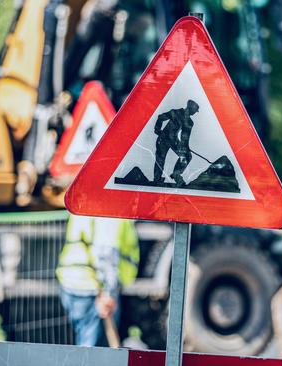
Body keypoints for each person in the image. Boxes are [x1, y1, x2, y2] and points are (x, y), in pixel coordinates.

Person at [56, 214, 139, 347]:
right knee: (92, 351)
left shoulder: (86, 202)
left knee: (86, 345)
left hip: (73, 281)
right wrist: (108, 293)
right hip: (93, 289)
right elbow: (106, 254)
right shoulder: (110, 208)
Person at [153, 100, 200, 186]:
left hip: (173, 141)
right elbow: (161, 117)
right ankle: (157, 180)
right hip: (163, 138)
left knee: (187, 156)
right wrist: (157, 129)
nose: (195, 113)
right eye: (194, 111)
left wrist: (186, 147)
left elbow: (185, 137)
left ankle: (176, 174)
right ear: (190, 108)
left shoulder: (189, 122)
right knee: (160, 159)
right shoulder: (176, 112)